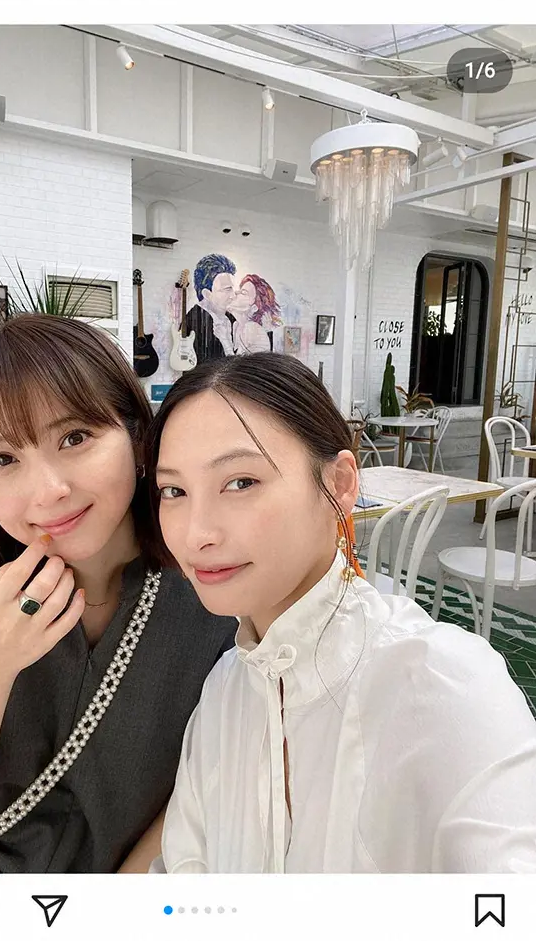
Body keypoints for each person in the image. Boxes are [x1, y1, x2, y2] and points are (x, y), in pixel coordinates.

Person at [147, 352, 536, 873]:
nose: (197, 533)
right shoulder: (224, 691)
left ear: (340, 484)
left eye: (240, 482)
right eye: (174, 491)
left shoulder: (443, 683)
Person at [0, 314, 235, 874]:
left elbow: (208, 789)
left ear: (137, 437)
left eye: (75, 437)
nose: (48, 491)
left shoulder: (209, 575)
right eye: (2, 459)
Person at [183, 254, 236, 362]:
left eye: (232, 289)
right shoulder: (195, 321)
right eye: (227, 289)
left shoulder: (230, 318)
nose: (233, 296)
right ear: (207, 294)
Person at [228, 274, 282, 354]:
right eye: (240, 290)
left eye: (243, 293)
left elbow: (238, 361)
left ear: (254, 307)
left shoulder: (251, 328)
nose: (236, 293)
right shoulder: (236, 325)